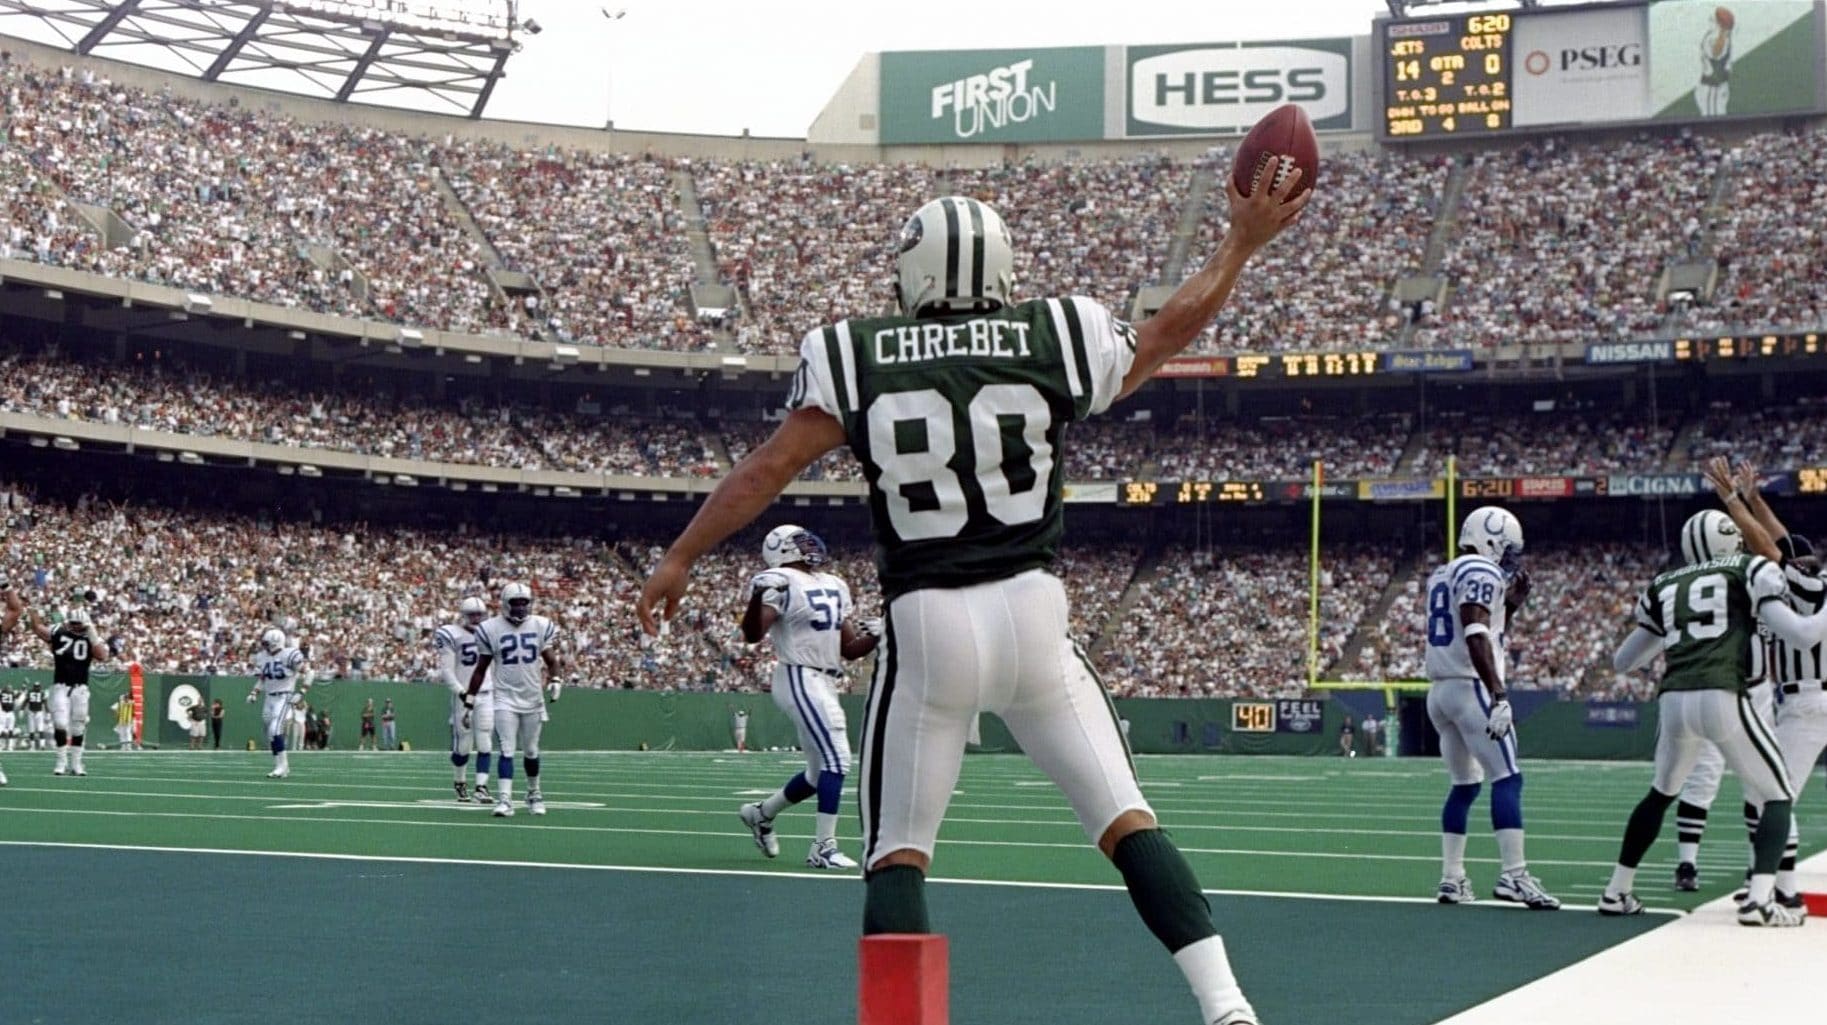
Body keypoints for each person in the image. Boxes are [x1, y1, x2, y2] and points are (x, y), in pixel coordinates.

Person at [638, 169, 1308, 1025]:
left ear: (914, 273)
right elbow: (1165, 333)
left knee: (895, 856)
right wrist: (1239, 244)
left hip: (928, 623)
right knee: (1126, 821)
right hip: (1035, 617)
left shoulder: (854, 351)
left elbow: (769, 467)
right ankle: (1228, 1008)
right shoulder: (1054, 329)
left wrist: (682, 554)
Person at [1601, 507, 1801, 926]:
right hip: (1722, 690)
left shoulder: (1665, 583)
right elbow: (1791, 630)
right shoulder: (1747, 568)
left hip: (1674, 699)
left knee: (1661, 794)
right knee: (1777, 794)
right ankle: (1761, 899)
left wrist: (1678, 634)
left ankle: (1617, 890)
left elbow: (1624, 661)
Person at [1424, 507, 1560, 910]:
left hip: (1440, 692)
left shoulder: (1443, 572)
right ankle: (1514, 876)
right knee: (1508, 779)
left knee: (1465, 786)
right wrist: (1499, 694)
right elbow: (1476, 630)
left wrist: (1511, 607)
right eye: (1507, 548)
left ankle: (1452, 879)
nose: (1509, 557)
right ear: (1491, 539)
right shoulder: (1480, 569)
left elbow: (1483, 623)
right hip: (1470, 688)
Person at [1712, 460, 1827, 904]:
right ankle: (1762, 877)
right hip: (1804, 702)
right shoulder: (1812, 583)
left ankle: (1783, 889)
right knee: (1766, 792)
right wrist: (1755, 498)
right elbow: (1778, 539)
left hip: (1807, 704)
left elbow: (1768, 547)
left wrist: (1731, 501)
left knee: (1774, 796)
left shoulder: (1803, 585)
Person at [736, 525, 881, 869]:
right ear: (782, 550)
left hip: (825, 680)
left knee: (819, 775)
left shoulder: (834, 583)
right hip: (799, 674)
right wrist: (759, 595)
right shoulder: (780, 579)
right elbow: (752, 634)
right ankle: (823, 847)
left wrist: (878, 635)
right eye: (796, 541)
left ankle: (761, 814)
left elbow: (849, 649)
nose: (808, 545)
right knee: (839, 760)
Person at [464, 583, 561, 818]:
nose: (520, 607)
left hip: (532, 698)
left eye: (524, 602)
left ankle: (534, 792)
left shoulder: (540, 625)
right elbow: (481, 668)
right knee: (506, 750)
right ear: (506, 604)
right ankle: (505, 799)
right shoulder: (490, 628)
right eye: (515, 603)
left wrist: (557, 679)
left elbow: (551, 659)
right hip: (504, 698)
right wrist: (469, 701)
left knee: (530, 750)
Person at [436, 596, 495, 804]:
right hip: (463, 696)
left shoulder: (491, 634)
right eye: (472, 614)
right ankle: (460, 781)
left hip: (486, 693)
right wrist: (462, 693)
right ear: (464, 615)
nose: (476, 618)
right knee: (464, 745)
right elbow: (447, 671)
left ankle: (482, 787)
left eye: (480, 614)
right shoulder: (452, 634)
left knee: (485, 741)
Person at [28, 606, 98, 777]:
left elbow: (103, 655)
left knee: (78, 726)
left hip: (80, 688)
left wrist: (93, 635)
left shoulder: (90, 636)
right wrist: (33, 612)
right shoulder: (59, 631)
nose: (75, 626)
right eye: (73, 623)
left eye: (78, 624)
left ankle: (76, 763)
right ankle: (61, 761)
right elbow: (38, 629)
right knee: (60, 724)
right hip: (60, 685)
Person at [247, 627, 311, 779]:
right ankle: (281, 765)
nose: (265, 646)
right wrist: (254, 692)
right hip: (269, 697)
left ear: (275, 642)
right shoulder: (264, 657)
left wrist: (302, 692)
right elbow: (263, 678)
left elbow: (310, 672)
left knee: (275, 729)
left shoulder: (289, 654)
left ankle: (282, 767)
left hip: (284, 696)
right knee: (270, 732)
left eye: (267, 643)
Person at [23, 680, 49, 750]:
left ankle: (42, 745)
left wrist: (22, 709)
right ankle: (33, 746)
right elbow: (45, 704)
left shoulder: (31, 692)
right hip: (32, 712)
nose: (37, 688)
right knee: (32, 730)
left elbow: (25, 701)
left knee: (40, 729)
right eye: (36, 687)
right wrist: (47, 712)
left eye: (38, 687)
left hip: (38, 713)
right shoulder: (41, 693)